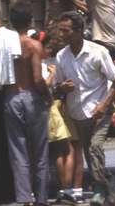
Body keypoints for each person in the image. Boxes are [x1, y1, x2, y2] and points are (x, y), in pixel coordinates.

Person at [0, 0, 52, 206]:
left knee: (18, 152)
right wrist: (48, 96)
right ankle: (41, 198)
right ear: (30, 21)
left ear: (11, 21)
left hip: (11, 98)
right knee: (40, 152)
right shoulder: (34, 45)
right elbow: (38, 79)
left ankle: (24, 198)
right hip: (32, 98)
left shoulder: (4, 39)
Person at [54, 11, 115, 206]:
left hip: (100, 112)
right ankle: (107, 185)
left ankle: (100, 190)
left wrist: (104, 105)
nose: (61, 35)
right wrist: (61, 88)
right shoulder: (61, 56)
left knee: (94, 148)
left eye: (65, 31)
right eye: (60, 30)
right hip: (77, 114)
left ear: (79, 31)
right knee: (91, 156)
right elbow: (56, 87)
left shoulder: (98, 52)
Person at [41, 32, 84, 205]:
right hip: (57, 108)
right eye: (48, 46)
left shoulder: (55, 60)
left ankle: (67, 189)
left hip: (59, 107)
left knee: (63, 150)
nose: (50, 48)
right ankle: (68, 189)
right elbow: (48, 86)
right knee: (69, 149)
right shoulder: (50, 63)